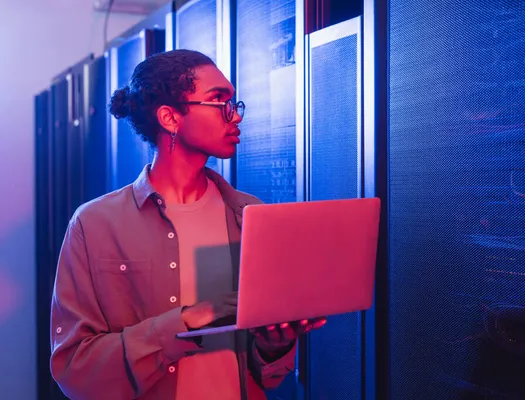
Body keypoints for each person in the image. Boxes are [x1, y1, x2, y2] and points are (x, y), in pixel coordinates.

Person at [49, 49, 326, 400]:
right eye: (218, 100)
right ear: (170, 117)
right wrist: (187, 321)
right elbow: (74, 371)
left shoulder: (252, 216)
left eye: (234, 102)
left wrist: (274, 346)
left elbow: (265, 376)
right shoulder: (93, 225)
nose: (235, 116)